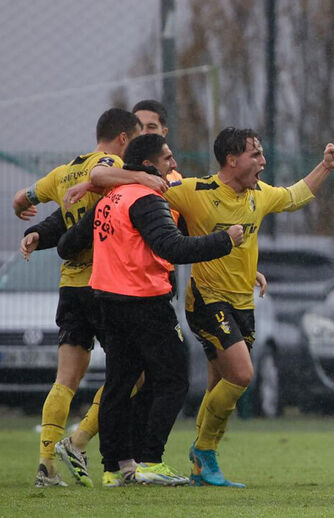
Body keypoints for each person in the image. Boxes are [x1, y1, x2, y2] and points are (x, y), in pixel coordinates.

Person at [89, 127, 334, 487]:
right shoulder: (195, 191)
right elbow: (134, 185)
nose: (263, 161)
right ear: (231, 159)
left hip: (243, 303)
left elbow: (295, 196)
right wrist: (96, 183)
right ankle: (199, 451)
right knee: (242, 375)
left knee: (219, 386)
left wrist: (326, 166)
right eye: (256, 154)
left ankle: (201, 466)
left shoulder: (260, 195)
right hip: (207, 300)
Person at [57, 133, 243, 486]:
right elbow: (172, 247)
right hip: (145, 301)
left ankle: (114, 468)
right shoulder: (146, 198)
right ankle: (150, 460)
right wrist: (225, 240)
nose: (174, 163)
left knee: (119, 383)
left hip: (108, 302)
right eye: (168, 158)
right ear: (148, 165)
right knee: (173, 380)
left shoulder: (111, 197)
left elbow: (68, 244)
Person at [11, 108, 152, 487]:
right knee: (133, 373)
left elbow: (22, 197)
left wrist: (25, 215)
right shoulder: (111, 165)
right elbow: (104, 179)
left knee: (66, 379)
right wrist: (142, 176)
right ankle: (79, 439)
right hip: (104, 285)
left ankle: (46, 465)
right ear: (123, 138)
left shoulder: (62, 173)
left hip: (70, 286)